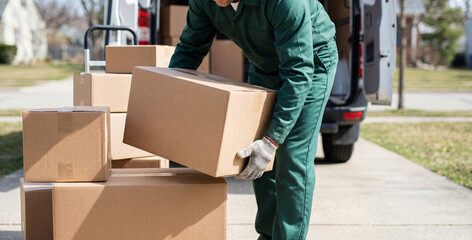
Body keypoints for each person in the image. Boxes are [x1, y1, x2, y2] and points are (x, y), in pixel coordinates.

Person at [169, 0, 338, 239]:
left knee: (291, 157)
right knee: (255, 155)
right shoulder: (204, 2)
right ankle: (268, 234)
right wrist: (168, 100)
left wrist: (272, 140)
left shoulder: (285, 2)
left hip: (311, 62)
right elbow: (189, 49)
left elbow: (299, 73)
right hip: (264, 65)